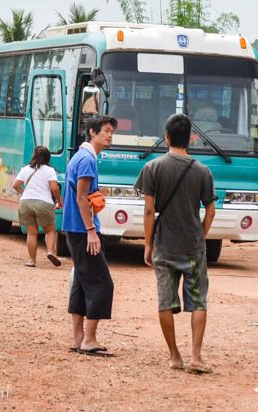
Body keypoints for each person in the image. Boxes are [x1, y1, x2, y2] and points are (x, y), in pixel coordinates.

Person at [136, 113, 217, 373]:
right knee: (198, 302)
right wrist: (200, 235)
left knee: (165, 301)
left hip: (164, 245)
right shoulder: (203, 170)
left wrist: (148, 244)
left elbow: (149, 211)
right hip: (193, 246)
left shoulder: (153, 168)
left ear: (167, 136)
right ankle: (196, 356)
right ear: (191, 138)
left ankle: (175, 356)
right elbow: (211, 211)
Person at [63, 115, 117, 356]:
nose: (109, 136)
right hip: (82, 229)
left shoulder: (82, 156)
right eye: (106, 131)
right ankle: (89, 339)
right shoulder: (87, 160)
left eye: (111, 132)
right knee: (102, 283)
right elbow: (81, 197)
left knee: (82, 282)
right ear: (92, 132)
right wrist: (91, 231)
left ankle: (78, 338)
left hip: (74, 228)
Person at [13, 146, 63, 267]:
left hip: (26, 203)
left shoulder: (25, 169)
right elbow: (54, 188)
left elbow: (16, 185)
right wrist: (59, 200)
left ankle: (32, 260)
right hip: (44, 203)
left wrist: (24, 192)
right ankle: (51, 251)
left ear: (34, 156)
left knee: (32, 233)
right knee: (50, 230)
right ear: (48, 158)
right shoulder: (49, 171)